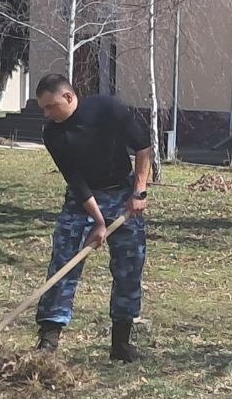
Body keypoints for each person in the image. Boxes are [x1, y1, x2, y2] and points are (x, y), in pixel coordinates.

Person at [33, 73, 152, 362]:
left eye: (50, 106)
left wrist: (139, 192)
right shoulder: (54, 134)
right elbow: (75, 180)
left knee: (129, 268)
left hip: (122, 195)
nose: (47, 114)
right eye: (43, 109)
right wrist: (98, 222)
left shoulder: (107, 109)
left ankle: (121, 343)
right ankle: (48, 342)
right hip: (81, 201)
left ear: (69, 97)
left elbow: (143, 147)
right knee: (63, 265)